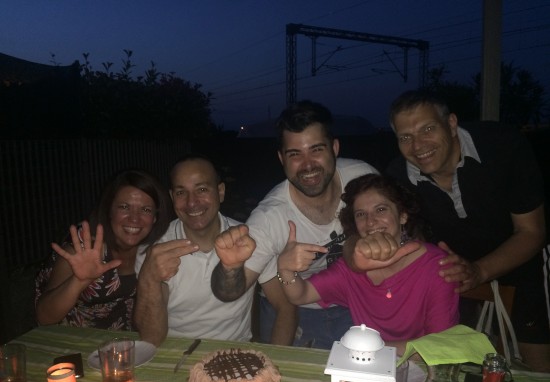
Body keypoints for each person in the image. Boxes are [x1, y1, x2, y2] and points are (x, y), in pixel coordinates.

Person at [382, 89, 550, 371]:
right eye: (405, 137)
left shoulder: (503, 146)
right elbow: (413, 238)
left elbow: (532, 232)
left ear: (451, 124)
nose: (418, 145)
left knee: (538, 364)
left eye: (428, 129)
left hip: (520, 257)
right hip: (455, 271)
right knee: (457, 365)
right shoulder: (398, 176)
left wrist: (480, 271)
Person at [211, 100, 378, 349]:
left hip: (356, 300)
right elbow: (228, 292)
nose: (308, 164)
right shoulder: (270, 218)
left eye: (316, 150)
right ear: (282, 159)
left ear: (334, 148)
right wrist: (230, 267)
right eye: (295, 154)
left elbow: (398, 225)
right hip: (297, 307)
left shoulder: (362, 177)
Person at [277, 173, 459, 355]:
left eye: (381, 210)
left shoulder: (436, 265)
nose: (370, 221)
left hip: (421, 366)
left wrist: (370, 349)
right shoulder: (352, 268)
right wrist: (285, 268)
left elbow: (441, 345)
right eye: (361, 214)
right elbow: (301, 294)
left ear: (402, 215)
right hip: (369, 362)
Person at [133, 155, 256, 346]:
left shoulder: (248, 239)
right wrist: (149, 277)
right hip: (174, 352)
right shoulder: (154, 250)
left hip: (236, 350)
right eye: (181, 192)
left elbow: (282, 304)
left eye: (202, 189)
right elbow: (151, 338)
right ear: (172, 197)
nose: (191, 202)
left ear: (220, 192)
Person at [35, 169, 172, 330]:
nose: (134, 218)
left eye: (146, 209)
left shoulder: (154, 250)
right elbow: (44, 317)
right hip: (73, 339)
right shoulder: (84, 249)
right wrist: (79, 281)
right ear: (109, 211)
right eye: (124, 207)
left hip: (124, 340)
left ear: (155, 217)